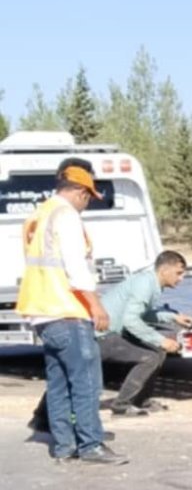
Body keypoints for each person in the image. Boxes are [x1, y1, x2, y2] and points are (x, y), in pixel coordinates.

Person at [17, 164, 127, 465]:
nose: (87, 203)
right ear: (79, 192)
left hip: (42, 313)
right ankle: (91, 444)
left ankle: (64, 446)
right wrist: (95, 304)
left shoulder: (38, 216)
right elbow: (75, 267)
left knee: (58, 382)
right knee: (86, 380)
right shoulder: (65, 216)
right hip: (67, 310)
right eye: (87, 197)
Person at [96, 250, 192, 416]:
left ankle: (141, 400)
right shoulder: (145, 285)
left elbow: (143, 314)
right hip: (100, 337)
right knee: (150, 356)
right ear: (164, 270)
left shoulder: (150, 283)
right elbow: (131, 320)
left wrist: (172, 317)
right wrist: (160, 340)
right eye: (178, 273)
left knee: (157, 352)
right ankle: (121, 406)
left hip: (113, 332)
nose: (181, 279)